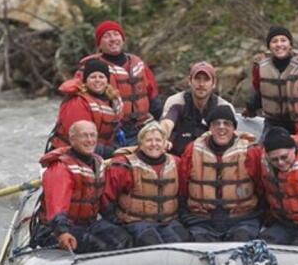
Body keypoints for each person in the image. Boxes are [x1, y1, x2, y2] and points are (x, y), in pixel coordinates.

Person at [31, 120, 132, 253]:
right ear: (72, 139)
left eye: (92, 135)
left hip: (88, 224)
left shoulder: (98, 162)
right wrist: (62, 232)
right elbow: (57, 205)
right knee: (96, 246)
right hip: (55, 229)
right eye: (84, 136)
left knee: (124, 239)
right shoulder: (60, 167)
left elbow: (102, 202)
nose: (89, 140)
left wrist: (121, 220)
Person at [178, 105, 263, 242]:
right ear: (210, 128)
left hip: (242, 219)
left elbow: (261, 187)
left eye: (226, 123)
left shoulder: (251, 152)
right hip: (201, 221)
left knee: (242, 238)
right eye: (216, 123)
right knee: (199, 242)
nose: (221, 127)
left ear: (234, 128)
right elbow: (182, 186)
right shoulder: (192, 150)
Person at [103, 123, 191, 246]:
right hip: (136, 222)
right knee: (151, 242)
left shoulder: (176, 163)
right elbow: (106, 198)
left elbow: (182, 193)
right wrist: (116, 222)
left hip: (169, 221)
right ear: (140, 144)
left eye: (158, 140)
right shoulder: (124, 165)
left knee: (182, 242)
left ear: (165, 143)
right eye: (149, 140)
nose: (154, 144)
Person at [75, 20, 161, 146]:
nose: (113, 39)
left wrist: (164, 123)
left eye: (116, 34)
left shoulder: (138, 63)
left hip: (142, 128)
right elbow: (78, 102)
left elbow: (153, 98)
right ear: (99, 44)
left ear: (123, 39)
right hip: (112, 134)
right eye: (106, 36)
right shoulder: (90, 68)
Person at [46, 59, 123, 158]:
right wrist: (107, 151)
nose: (97, 80)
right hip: (71, 153)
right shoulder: (77, 102)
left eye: (101, 77)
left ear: (107, 80)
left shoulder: (112, 100)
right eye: (93, 77)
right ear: (85, 81)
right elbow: (79, 138)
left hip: (96, 150)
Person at [159, 61, 234, 156]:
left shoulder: (224, 106)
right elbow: (166, 124)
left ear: (214, 83)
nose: (201, 84)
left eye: (206, 79)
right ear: (189, 81)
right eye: (197, 79)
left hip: (211, 159)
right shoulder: (176, 101)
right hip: (179, 157)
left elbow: (231, 136)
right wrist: (161, 138)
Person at [244, 26, 298, 136]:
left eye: (283, 40)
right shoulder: (260, 67)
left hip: (297, 123)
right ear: (269, 47)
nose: (279, 44)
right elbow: (261, 93)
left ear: (290, 45)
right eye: (274, 41)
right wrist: (250, 108)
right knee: (262, 150)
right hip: (272, 122)